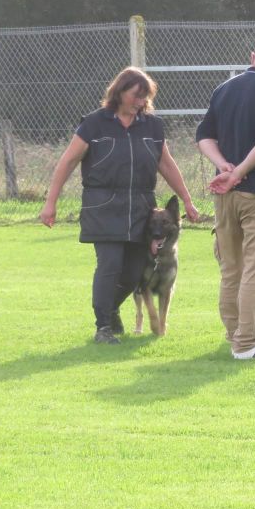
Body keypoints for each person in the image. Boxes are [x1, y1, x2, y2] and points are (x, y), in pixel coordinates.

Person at [40, 67, 200, 344]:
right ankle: (103, 326)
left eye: (145, 96)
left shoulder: (151, 126)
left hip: (141, 209)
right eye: (136, 95)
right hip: (103, 207)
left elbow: (166, 164)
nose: (141, 101)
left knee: (136, 271)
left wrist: (186, 199)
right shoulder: (94, 124)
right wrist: (50, 202)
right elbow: (67, 161)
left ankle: (111, 307)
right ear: (119, 92)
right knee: (110, 265)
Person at [196, 37, 255, 359]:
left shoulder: (224, 89)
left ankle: (233, 335)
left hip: (226, 197)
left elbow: (204, 136)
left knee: (231, 269)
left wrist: (223, 165)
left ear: (252, 57)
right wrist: (239, 172)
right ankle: (248, 343)